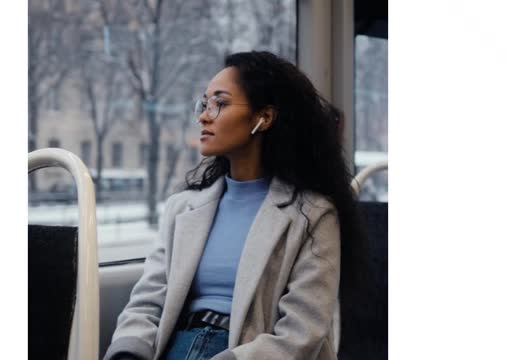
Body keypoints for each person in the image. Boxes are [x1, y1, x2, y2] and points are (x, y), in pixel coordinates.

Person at [103, 51, 362, 360]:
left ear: (263, 118)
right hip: (176, 347)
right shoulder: (183, 208)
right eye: (205, 103)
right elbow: (148, 301)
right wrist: (128, 353)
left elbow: (301, 332)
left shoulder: (312, 215)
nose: (204, 115)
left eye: (221, 104)